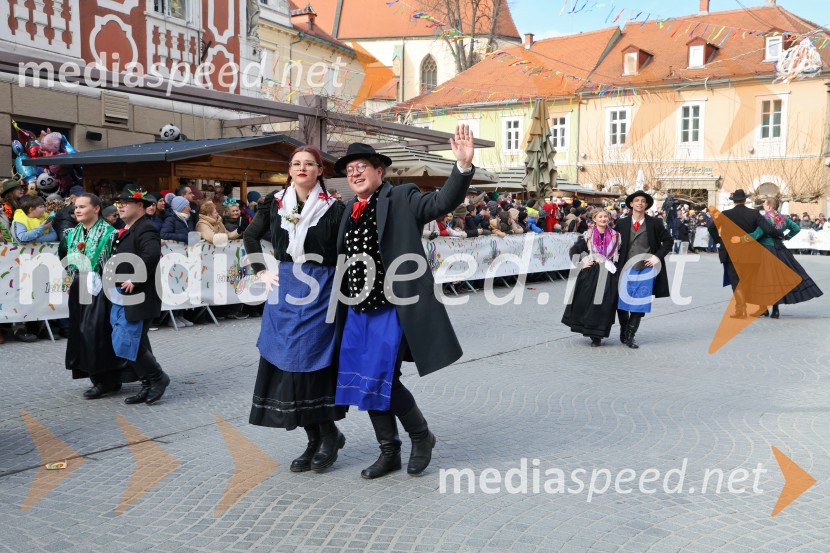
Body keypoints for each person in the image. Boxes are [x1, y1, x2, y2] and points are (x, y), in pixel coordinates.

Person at [333, 125, 475, 479]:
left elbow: (441, 202)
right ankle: (389, 451)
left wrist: (462, 167)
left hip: (392, 306)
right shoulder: (347, 209)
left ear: (379, 171)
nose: (354, 173)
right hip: (357, 308)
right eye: (349, 170)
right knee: (365, 380)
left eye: (360, 167)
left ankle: (421, 436)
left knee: (383, 378)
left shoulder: (402, 197)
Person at [245, 145, 348, 473]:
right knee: (287, 367)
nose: (302, 168)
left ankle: (328, 434)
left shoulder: (334, 209)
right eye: (296, 163)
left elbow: (348, 251)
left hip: (321, 291)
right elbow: (250, 237)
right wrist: (261, 270)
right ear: (289, 170)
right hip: (285, 290)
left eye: (309, 164)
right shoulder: (275, 204)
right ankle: (313, 436)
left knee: (313, 367)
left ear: (320, 170)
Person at [59, 193, 136, 398]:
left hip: (103, 287)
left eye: (82, 206)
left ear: (96, 209)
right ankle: (97, 376)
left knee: (99, 331)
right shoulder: (71, 234)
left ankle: (108, 378)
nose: (77, 210)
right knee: (82, 331)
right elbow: (63, 256)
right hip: (80, 286)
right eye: (76, 207)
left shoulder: (110, 234)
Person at [103, 185, 171, 405]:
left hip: (140, 293)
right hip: (123, 293)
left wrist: (136, 278)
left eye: (126, 202)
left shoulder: (146, 228)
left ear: (140, 205)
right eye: (119, 202)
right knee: (131, 341)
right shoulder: (127, 229)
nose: (120, 205)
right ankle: (147, 383)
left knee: (131, 341)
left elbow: (151, 255)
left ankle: (157, 378)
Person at [707, 189, 784, 319]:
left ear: (734, 201)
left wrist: (719, 241)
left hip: (731, 252)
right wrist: (780, 234)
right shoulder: (754, 213)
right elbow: (768, 229)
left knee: (736, 282)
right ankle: (761, 306)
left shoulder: (725, 214)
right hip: (751, 252)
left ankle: (741, 310)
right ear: (744, 200)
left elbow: (711, 227)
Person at [615, 191, 673, 348]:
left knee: (639, 303)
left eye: (643, 201)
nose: (640, 203)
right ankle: (624, 328)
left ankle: (630, 335)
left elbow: (668, 241)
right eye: (637, 200)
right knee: (621, 301)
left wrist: (656, 257)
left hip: (645, 270)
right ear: (631, 204)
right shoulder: (621, 223)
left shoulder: (655, 223)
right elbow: (612, 241)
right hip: (625, 268)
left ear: (647, 205)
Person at [750, 196, 823, 318]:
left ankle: (763, 309)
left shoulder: (765, 218)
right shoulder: (783, 218)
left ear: (769, 205)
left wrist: (741, 238)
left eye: (764, 203)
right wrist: (787, 237)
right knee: (776, 279)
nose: (763, 204)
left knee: (762, 279)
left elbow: (757, 234)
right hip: (780, 250)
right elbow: (796, 228)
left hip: (765, 250)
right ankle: (775, 310)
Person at [562, 209, 621, 347]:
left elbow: (620, 254)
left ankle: (598, 334)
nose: (603, 219)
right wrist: (581, 264)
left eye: (605, 216)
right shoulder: (587, 236)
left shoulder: (616, 236)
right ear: (594, 219)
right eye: (600, 217)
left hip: (608, 273)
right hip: (591, 273)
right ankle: (592, 333)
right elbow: (574, 251)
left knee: (604, 304)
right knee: (590, 303)